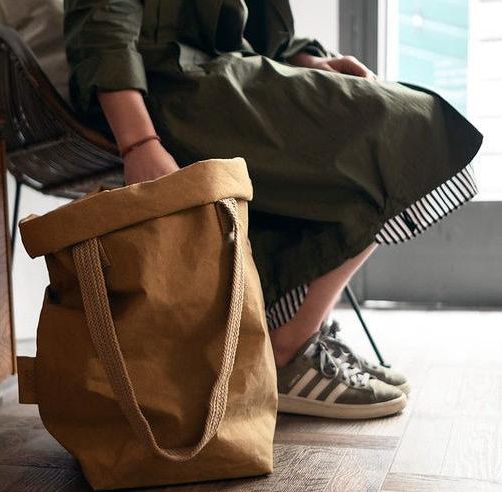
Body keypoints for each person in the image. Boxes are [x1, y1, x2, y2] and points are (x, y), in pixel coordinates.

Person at [63, 0, 482, 420]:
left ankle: (293, 336)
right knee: (414, 134)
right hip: (166, 91)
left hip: (227, 73)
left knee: (397, 135)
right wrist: (139, 143)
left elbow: (260, 24)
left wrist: (309, 60)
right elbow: (103, 21)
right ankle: (289, 347)